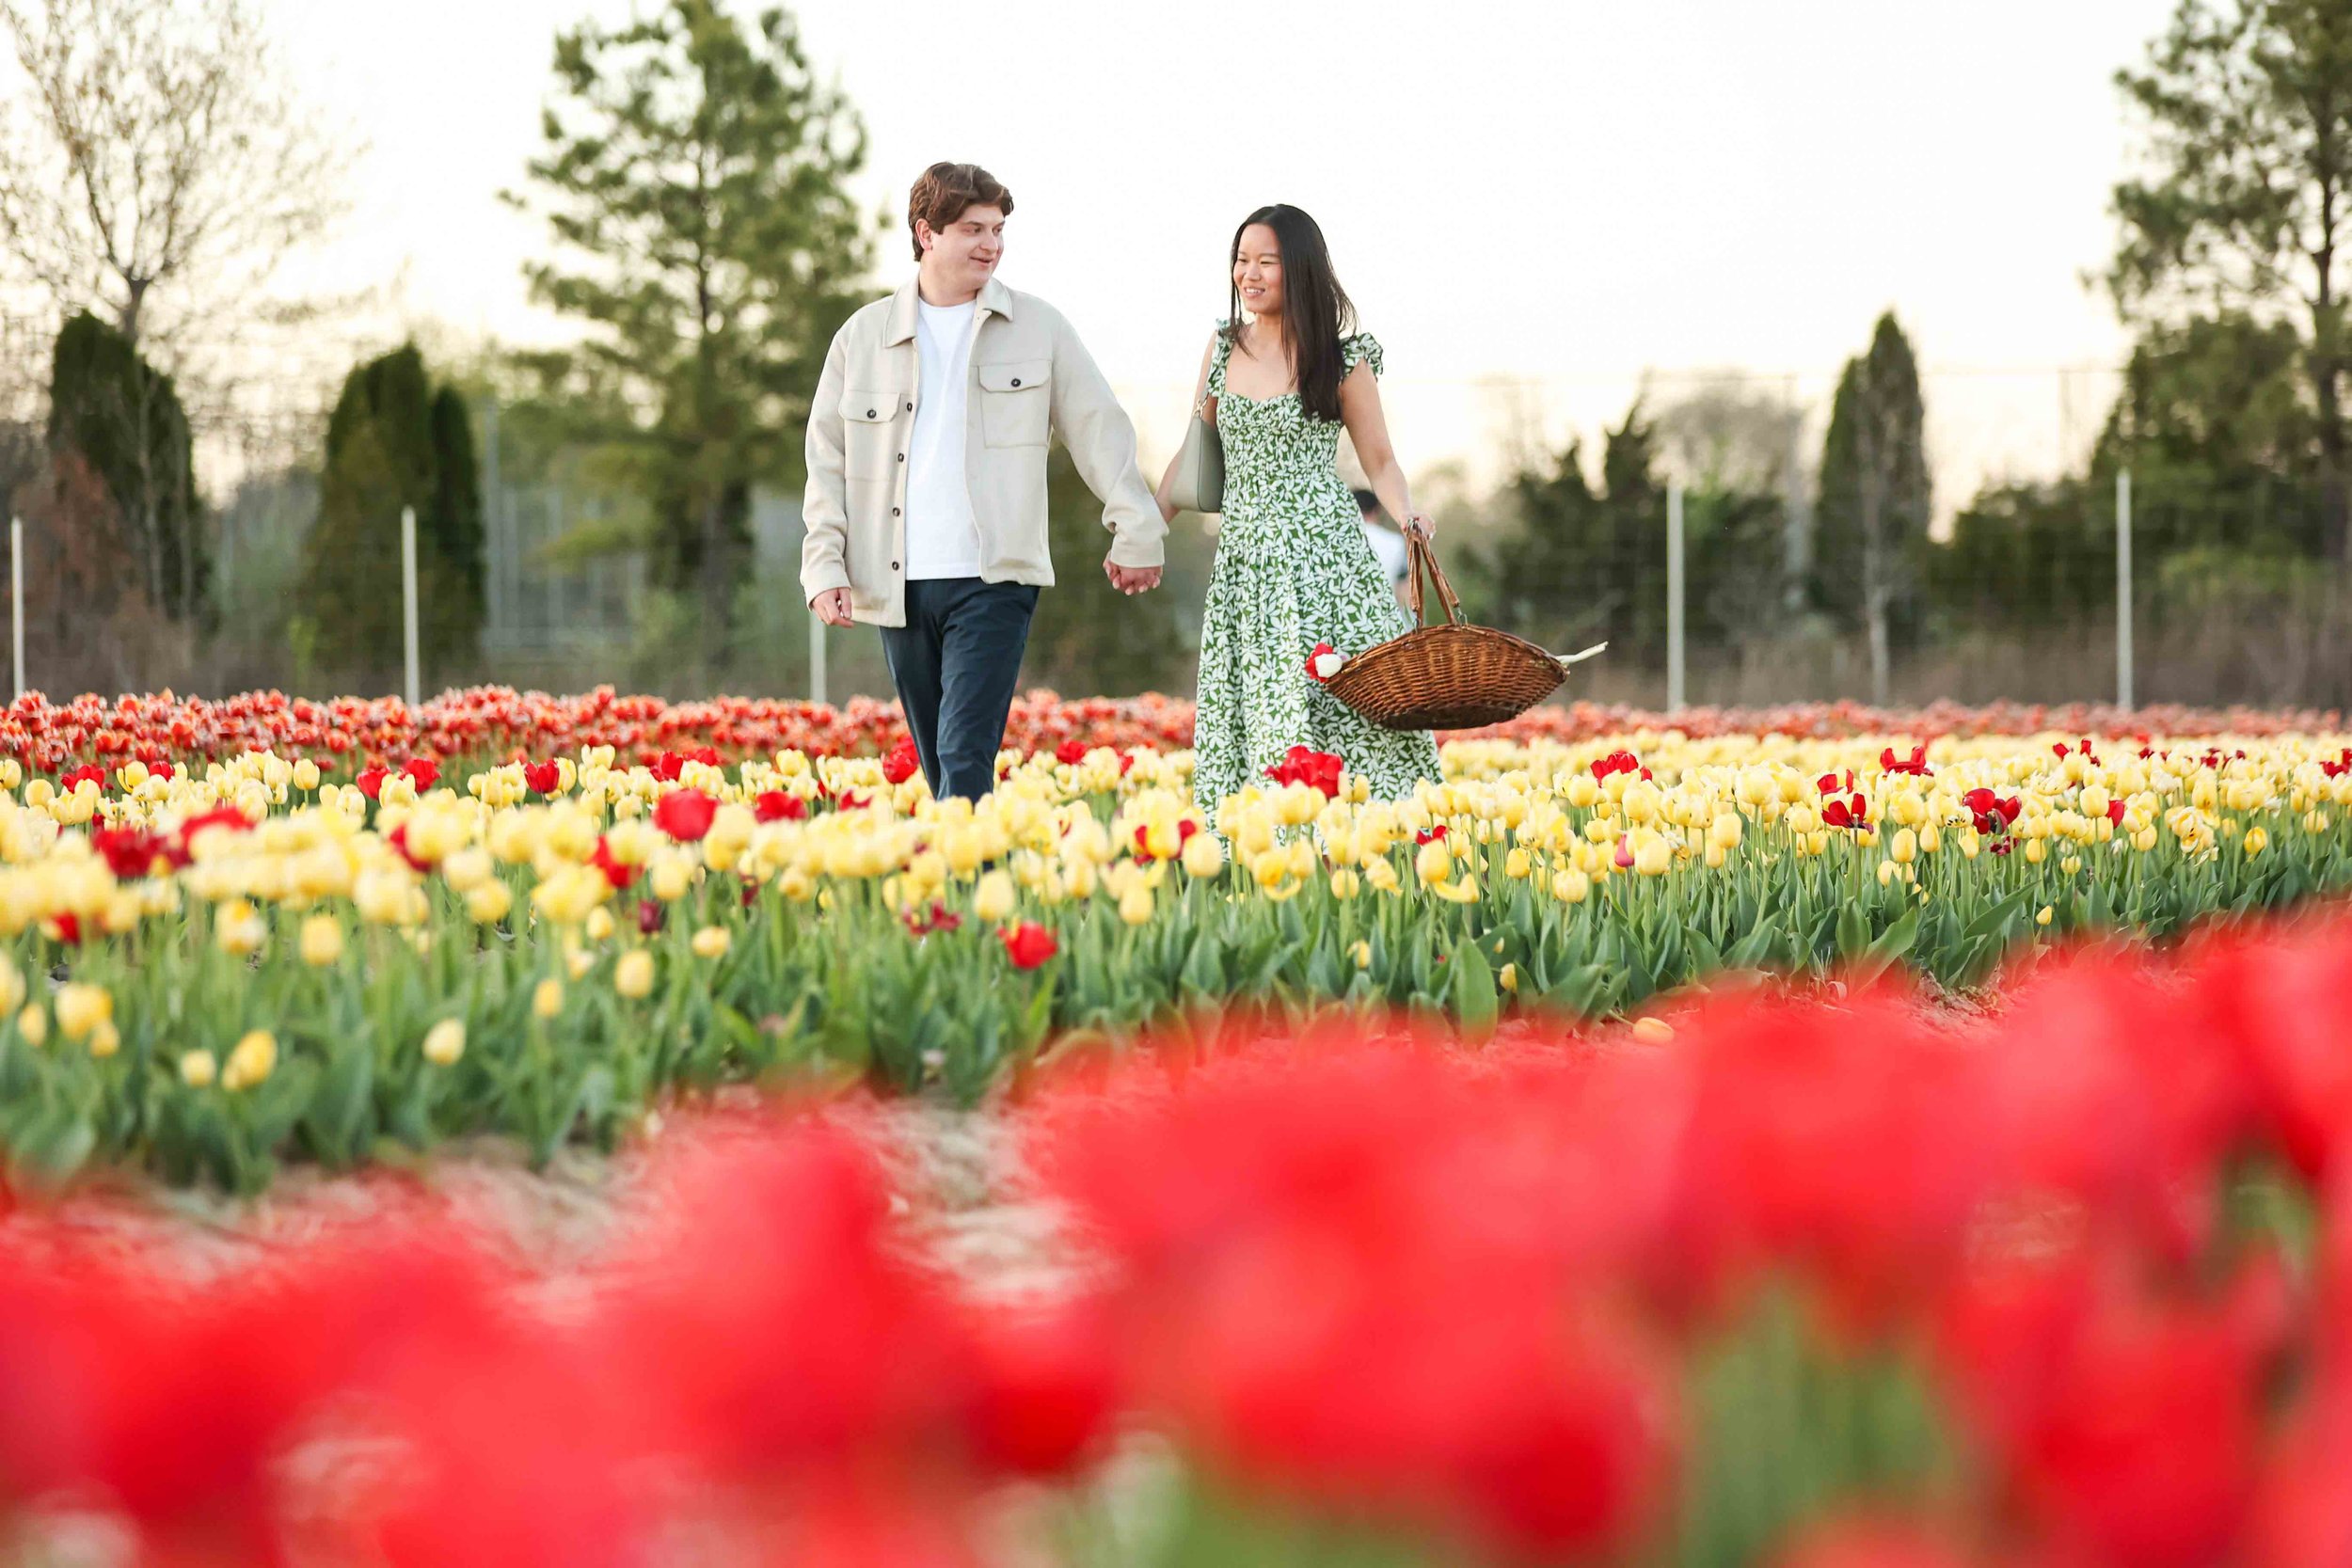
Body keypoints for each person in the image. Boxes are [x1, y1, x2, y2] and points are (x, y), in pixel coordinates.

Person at [802, 162, 1164, 801]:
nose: (990, 244)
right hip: (896, 581)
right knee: (941, 768)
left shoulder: (1039, 327)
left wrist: (1136, 528)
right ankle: (978, 886)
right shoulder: (862, 337)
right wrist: (824, 564)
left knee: (962, 752)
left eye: (998, 229)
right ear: (926, 233)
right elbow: (827, 460)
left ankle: (961, 891)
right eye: (973, 229)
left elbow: (1097, 427)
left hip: (996, 577)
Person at [1156, 203, 1442, 824]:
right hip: (1248, 565)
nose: (1248, 274)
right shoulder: (1223, 346)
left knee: (1350, 709)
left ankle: (1376, 840)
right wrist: (1144, 532)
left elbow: (1381, 460)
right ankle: (1267, 855)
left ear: (1300, 269)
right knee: (1261, 709)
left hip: (1328, 559)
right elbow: (1194, 454)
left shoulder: (1341, 359)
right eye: (1241, 259)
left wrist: (1408, 514)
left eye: (1266, 262)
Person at [1355, 486, 1412, 604]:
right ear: (1377, 510)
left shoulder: (1337, 541)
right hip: (1384, 615)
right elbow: (1404, 591)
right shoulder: (1396, 542)